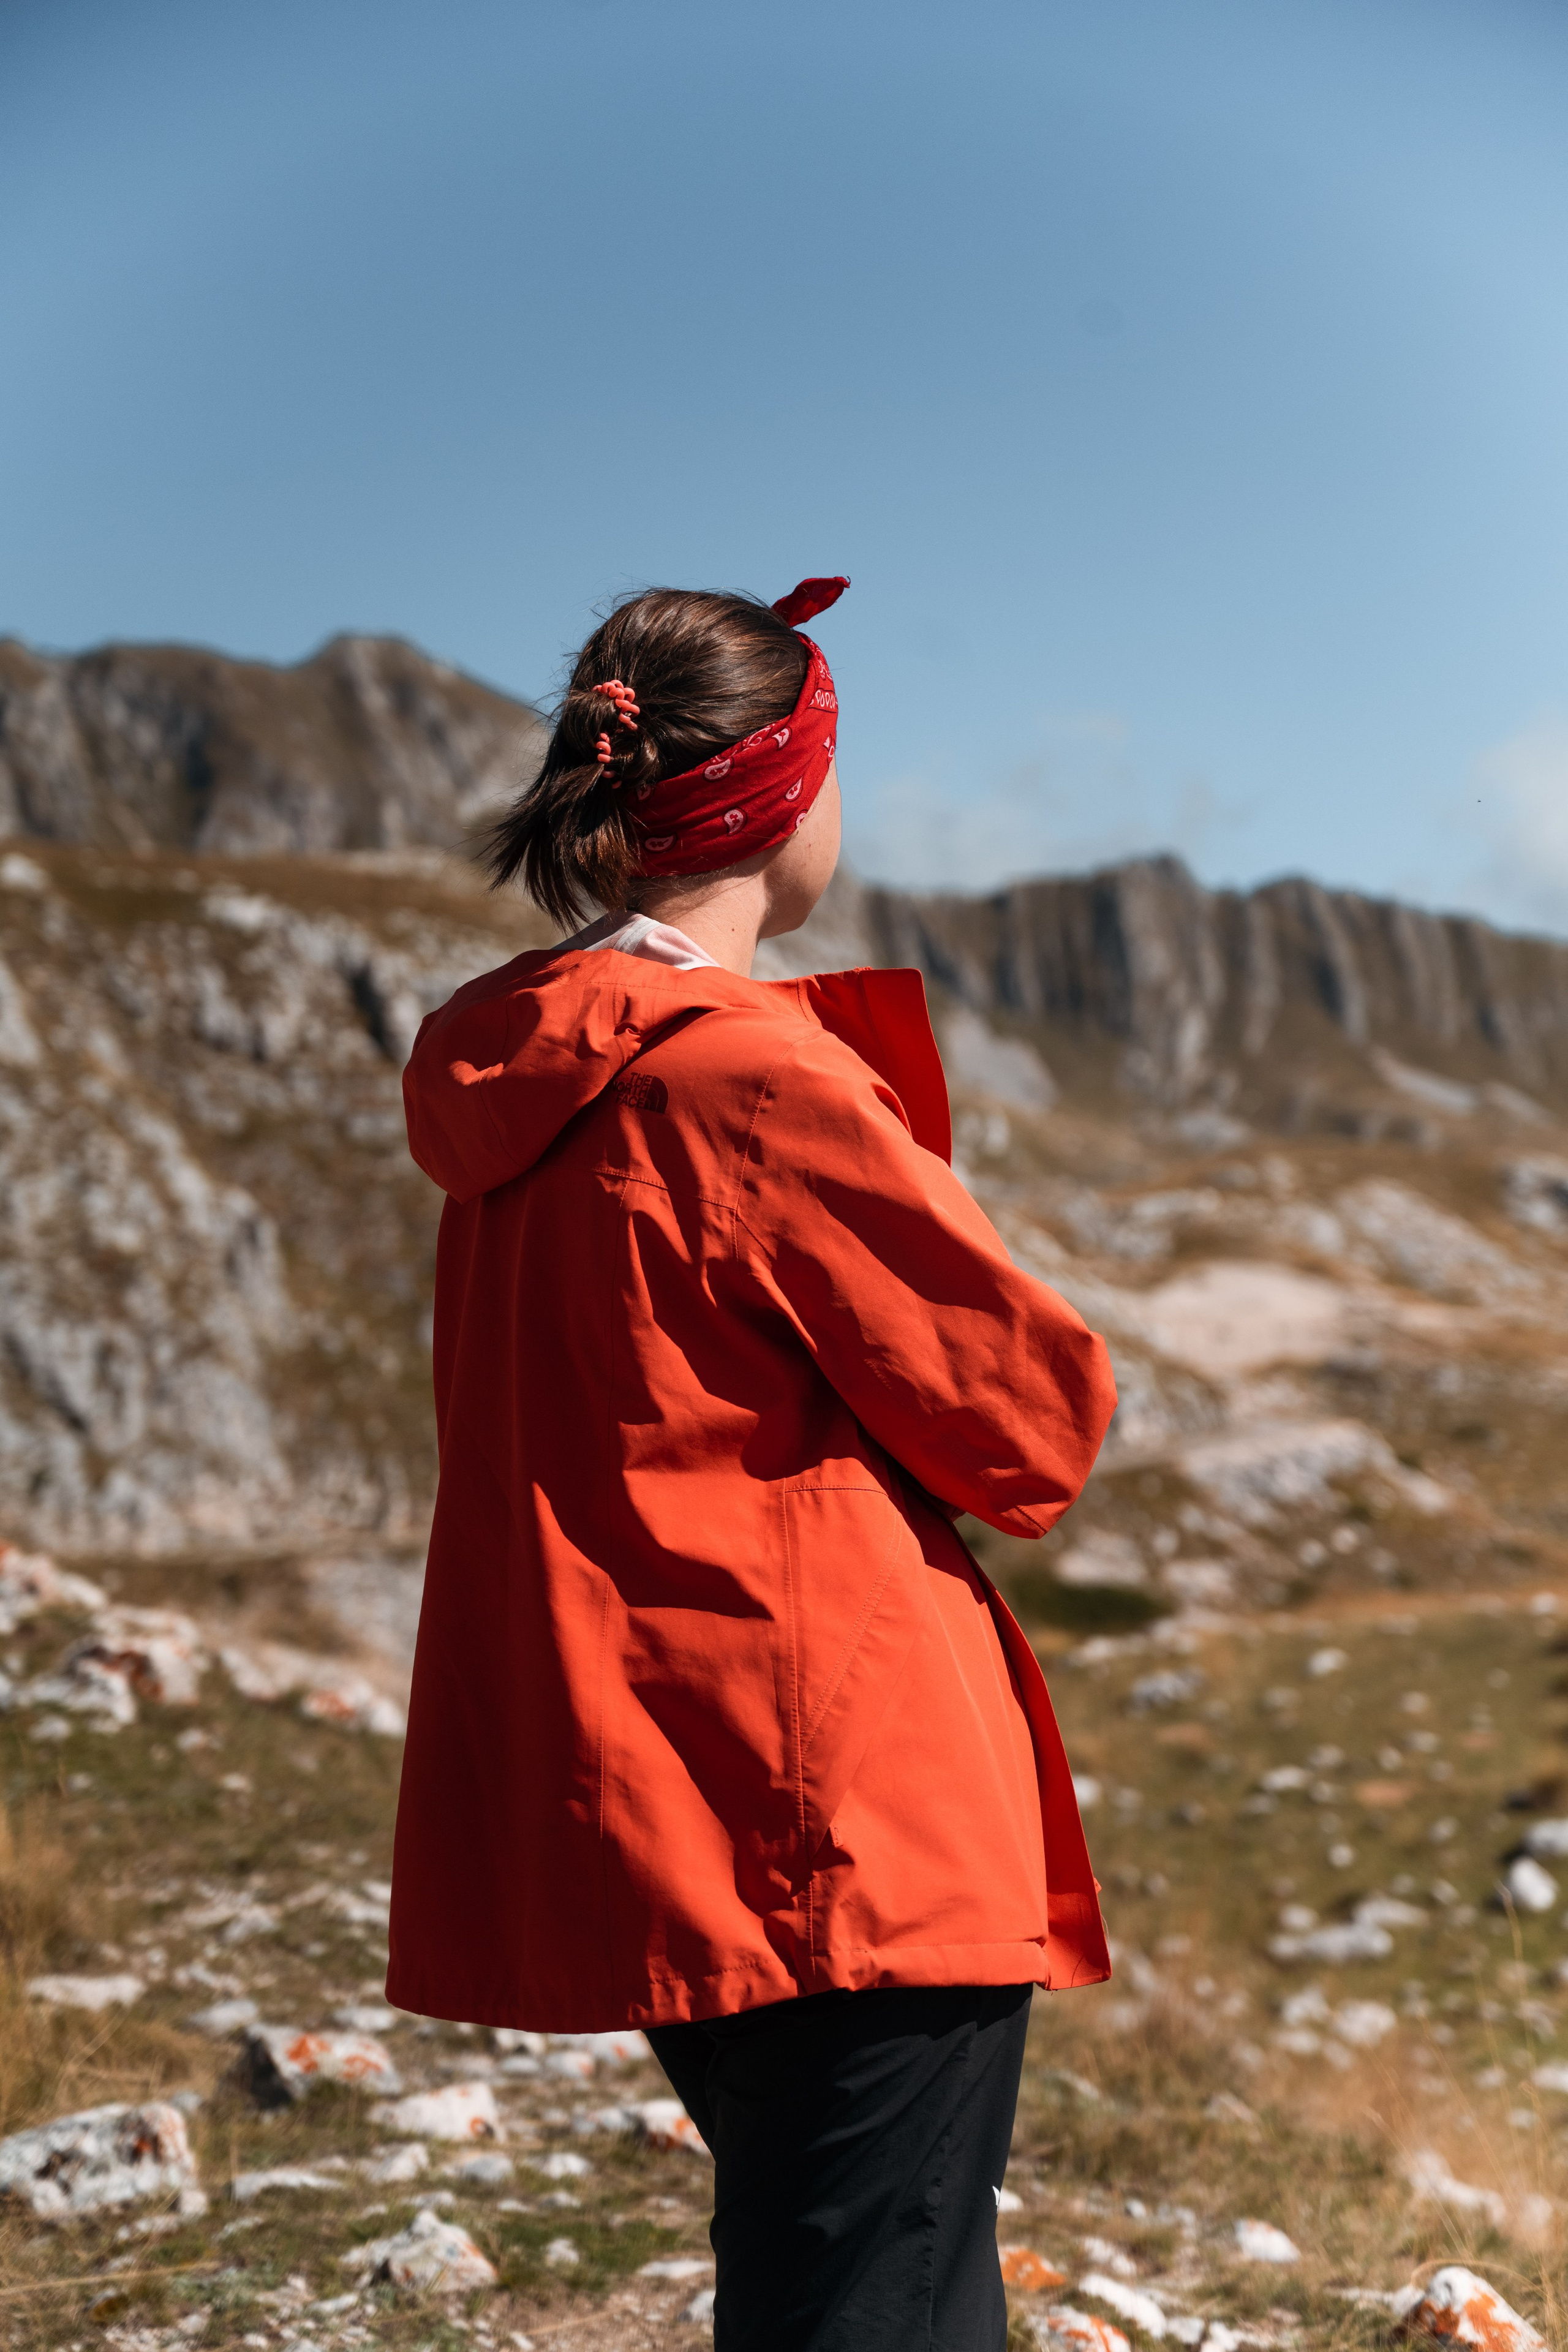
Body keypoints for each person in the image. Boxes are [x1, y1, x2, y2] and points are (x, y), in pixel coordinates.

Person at [388, 577, 1118, 2351]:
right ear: (786, 800)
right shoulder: (744, 1084)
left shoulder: (523, 1072)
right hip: (845, 1811)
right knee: (881, 2305)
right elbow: (1036, 1429)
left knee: (823, 2279)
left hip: (669, 1802)